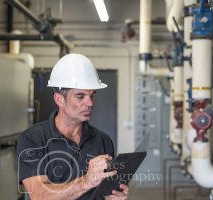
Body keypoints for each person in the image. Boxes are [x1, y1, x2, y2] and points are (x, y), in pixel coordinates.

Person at [17, 53, 129, 200]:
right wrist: (87, 181)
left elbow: (103, 191)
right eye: (80, 96)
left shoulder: (103, 140)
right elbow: (40, 196)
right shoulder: (32, 139)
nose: (90, 103)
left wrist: (114, 195)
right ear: (59, 99)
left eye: (92, 95)